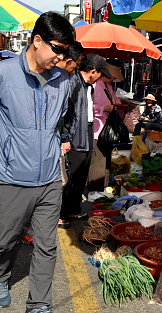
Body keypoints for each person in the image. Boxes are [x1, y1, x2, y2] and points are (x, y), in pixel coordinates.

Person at [0, 12, 75, 313]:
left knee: (46, 246)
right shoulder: (0, 74)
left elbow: (58, 122)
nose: (60, 56)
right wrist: (0, 150)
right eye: (57, 48)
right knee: (4, 240)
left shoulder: (63, 81)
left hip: (50, 181)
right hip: (11, 179)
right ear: (37, 40)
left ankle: (39, 305)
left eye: (65, 52)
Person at [59, 54, 112, 228]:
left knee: (81, 176)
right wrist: (65, 138)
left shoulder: (88, 86)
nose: (101, 77)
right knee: (72, 177)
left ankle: (74, 209)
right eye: (100, 73)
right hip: (75, 135)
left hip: (87, 132)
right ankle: (62, 213)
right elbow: (65, 114)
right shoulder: (73, 83)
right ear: (93, 71)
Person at [88, 58, 126, 196]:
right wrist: (105, 108)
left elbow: (116, 102)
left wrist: (118, 106)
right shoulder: (94, 86)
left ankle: (102, 188)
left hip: (108, 130)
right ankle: (94, 190)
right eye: (112, 77)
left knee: (106, 160)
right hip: (97, 130)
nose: (113, 80)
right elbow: (89, 107)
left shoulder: (109, 88)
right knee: (97, 161)